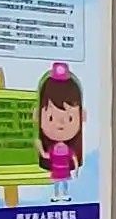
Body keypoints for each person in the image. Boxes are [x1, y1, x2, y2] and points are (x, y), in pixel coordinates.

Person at [34, 64, 88, 198]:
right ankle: (58, 195)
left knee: (63, 184)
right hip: (57, 173)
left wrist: (76, 170)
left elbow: (74, 158)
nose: (60, 124)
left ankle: (63, 195)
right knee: (58, 184)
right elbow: (46, 155)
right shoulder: (53, 150)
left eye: (70, 118)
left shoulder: (68, 150)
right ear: (37, 116)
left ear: (82, 116)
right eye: (51, 118)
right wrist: (39, 147)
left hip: (64, 173)